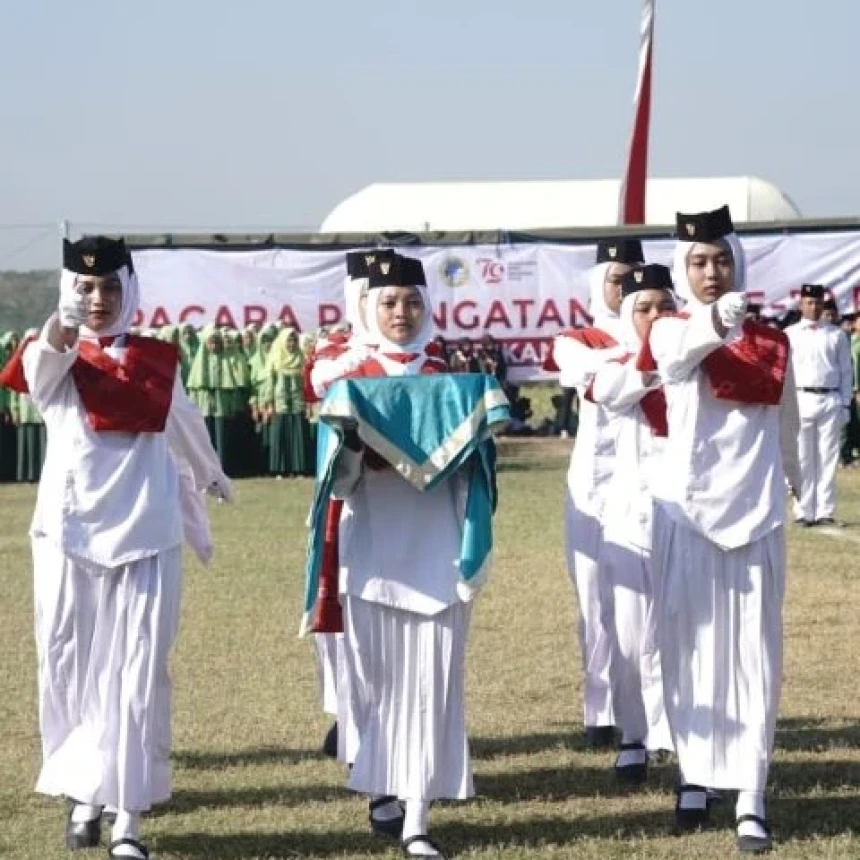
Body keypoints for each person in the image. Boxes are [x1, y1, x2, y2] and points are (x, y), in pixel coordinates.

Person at [13, 236, 232, 860]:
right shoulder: (50, 357)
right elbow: (43, 367)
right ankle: (85, 796)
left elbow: (184, 420)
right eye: (85, 287)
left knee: (135, 676)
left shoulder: (158, 359)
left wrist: (211, 475)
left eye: (110, 287)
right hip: (69, 537)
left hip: (145, 533)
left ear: (130, 290)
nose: (99, 299)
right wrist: (63, 324)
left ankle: (128, 820)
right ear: (68, 291)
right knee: (73, 670)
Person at [315, 253, 498, 859]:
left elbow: (478, 468)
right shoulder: (348, 379)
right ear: (369, 305)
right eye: (389, 302)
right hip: (373, 548)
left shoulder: (456, 379)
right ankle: (382, 784)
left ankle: (417, 814)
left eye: (412, 302)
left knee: (433, 680)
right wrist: (355, 448)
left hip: (438, 546)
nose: (401, 313)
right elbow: (334, 481)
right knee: (376, 681)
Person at [643, 206, 800, 852]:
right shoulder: (670, 332)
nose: (712, 272)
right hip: (690, 514)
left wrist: (802, 484)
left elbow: (786, 422)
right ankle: (694, 772)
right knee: (687, 649)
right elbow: (681, 352)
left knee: (753, 658)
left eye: (722, 260)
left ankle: (751, 794)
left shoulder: (772, 341)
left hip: (756, 514)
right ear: (684, 271)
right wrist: (718, 318)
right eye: (699, 263)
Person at [543, 237, 645, 749]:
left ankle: (647, 712)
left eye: (633, 277)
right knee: (592, 599)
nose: (624, 288)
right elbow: (601, 382)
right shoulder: (577, 337)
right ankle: (599, 708)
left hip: (646, 483)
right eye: (615, 278)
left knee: (641, 604)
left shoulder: (661, 328)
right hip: (590, 485)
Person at [587, 264, 675, 784]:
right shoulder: (617, 364)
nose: (655, 317)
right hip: (627, 516)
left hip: (684, 513)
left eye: (664, 307)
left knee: (678, 629)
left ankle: (674, 730)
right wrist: (654, 356)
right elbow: (611, 389)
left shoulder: (694, 364)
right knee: (628, 633)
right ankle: (634, 734)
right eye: (643, 308)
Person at [784, 285, 853, 525]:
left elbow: (846, 371)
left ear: (823, 305)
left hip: (830, 398)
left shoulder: (836, 335)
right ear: (801, 304)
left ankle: (824, 511)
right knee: (803, 457)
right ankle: (803, 510)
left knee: (827, 458)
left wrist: (845, 405)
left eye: (818, 303)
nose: (814, 307)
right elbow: (785, 373)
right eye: (809, 302)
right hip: (801, 398)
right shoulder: (790, 334)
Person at [266, 327, 312, 477]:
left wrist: (308, 403)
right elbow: (270, 382)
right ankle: (280, 469)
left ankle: (298, 469)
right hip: (280, 402)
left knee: (298, 435)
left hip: (297, 401)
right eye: (289, 341)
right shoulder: (275, 357)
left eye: (294, 341)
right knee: (281, 435)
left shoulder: (301, 358)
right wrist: (269, 403)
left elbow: (306, 383)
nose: (291, 344)